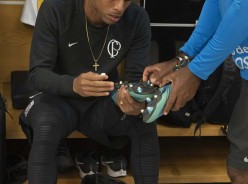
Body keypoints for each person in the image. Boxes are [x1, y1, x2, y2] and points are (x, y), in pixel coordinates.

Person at [19, 0, 160, 183]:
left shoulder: (137, 17)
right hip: (57, 98)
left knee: (146, 118)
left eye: (127, 1)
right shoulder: (55, 7)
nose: (119, 7)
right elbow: (37, 74)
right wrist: (73, 85)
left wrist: (131, 99)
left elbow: (134, 79)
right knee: (46, 127)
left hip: (103, 99)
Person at [142, 0, 248, 183]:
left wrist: (195, 72)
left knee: (245, 172)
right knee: (242, 169)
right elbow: (217, 4)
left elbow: (247, 8)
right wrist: (183, 58)